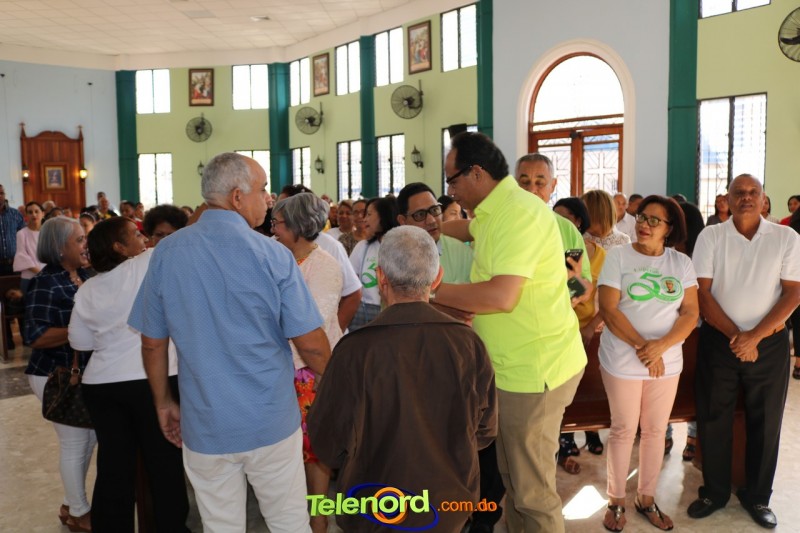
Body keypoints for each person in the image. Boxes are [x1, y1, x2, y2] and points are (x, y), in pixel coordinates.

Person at [128, 152, 331, 532]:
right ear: (237, 197)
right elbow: (311, 343)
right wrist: (336, 383)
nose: (269, 199)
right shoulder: (273, 254)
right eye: (263, 189)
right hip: (269, 418)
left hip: (206, 421)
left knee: (220, 525)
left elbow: (152, 343)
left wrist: (164, 403)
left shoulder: (167, 252)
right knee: (289, 521)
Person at [434, 132, 586, 532]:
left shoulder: (518, 213)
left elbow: (501, 296)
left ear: (476, 173)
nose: (450, 191)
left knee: (533, 494)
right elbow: (471, 231)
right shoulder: (494, 208)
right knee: (513, 479)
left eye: (452, 180)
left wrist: (426, 289)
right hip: (512, 367)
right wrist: (436, 229)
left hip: (533, 371)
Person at [307, 226, 497, 533]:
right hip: (449, 505)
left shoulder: (354, 350)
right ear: (437, 278)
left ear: (381, 278)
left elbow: (328, 443)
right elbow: (485, 431)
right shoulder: (468, 343)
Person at [688, 174, 800, 529]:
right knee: (713, 417)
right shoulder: (711, 236)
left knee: (766, 422)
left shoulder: (786, 237)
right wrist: (739, 336)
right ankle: (714, 492)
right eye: (739, 192)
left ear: (764, 199)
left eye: (753, 192)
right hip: (719, 341)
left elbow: (794, 292)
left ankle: (758, 497)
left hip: (770, 343)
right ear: (728, 199)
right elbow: (702, 292)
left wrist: (756, 337)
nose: (746, 197)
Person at [68, 217, 190, 533]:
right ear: (119, 247)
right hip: (151, 379)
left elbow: (79, 342)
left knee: (113, 465)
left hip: (101, 385)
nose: (144, 239)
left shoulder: (88, 288)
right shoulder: (144, 264)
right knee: (163, 462)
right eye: (135, 235)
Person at [598, 195, 698, 531]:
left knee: (655, 430)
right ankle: (616, 501)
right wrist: (645, 348)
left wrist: (661, 348)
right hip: (622, 359)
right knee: (624, 429)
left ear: (669, 229)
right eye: (642, 217)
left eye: (655, 220)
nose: (644, 224)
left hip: (666, 361)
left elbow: (690, 312)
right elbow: (609, 309)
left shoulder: (680, 263)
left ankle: (646, 498)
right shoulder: (619, 256)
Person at [514, 154, 597, 478]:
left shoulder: (564, 229)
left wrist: (551, 302)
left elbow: (581, 284)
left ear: (552, 186)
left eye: (540, 182)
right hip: (508, 350)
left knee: (537, 449)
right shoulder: (500, 224)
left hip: (549, 349)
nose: (532, 189)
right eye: (524, 181)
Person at [271, 192, 343, 533]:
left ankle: (318, 520)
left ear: (298, 227)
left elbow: (313, 323)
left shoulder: (324, 266)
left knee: (315, 451)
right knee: (287, 451)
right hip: (281, 367)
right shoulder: (278, 257)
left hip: (312, 370)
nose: (273, 230)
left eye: (278, 224)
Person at [23, 216, 95, 532]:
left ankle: (70, 503)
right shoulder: (46, 282)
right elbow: (36, 336)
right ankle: (79, 512)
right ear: (59, 247)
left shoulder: (86, 274)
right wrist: (80, 329)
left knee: (88, 440)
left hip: (82, 373)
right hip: (55, 375)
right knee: (75, 442)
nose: (85, 244)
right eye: (79, 239)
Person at [397, 182, 473, 284]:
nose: (431, 220)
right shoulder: (393, 257)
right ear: (403, 221)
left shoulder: (463, 254)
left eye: (434, 210)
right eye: (420, 215)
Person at [348, 196, 399, 330]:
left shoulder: (402, 248)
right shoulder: (363, 247)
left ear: (384, 216)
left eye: (369, 214)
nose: (364, 219)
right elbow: (349, 282)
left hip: (394, 314)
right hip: (364, 314)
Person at [14, 201, 46, 294]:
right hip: (29, 277)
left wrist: (47, 274)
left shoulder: (49, 233)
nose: (34, 215)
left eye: (36, 211)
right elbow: (22, 256)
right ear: (26, 215)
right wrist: (41, 273)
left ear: (43, 213)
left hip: (48, 277)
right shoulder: (21, 233)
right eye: (30, 212)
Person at [0, 184, 26, 275]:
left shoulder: (15, 214)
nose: (0, 196)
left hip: (14, 263)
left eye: (2, 193)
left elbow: (24, 238)